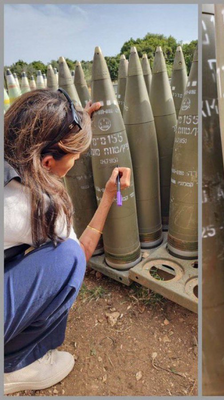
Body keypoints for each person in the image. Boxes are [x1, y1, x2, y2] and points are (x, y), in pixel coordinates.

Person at [4, 88, 131, 394]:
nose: (75, 162)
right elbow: (80, 254)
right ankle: (14, 366)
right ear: (48, 162)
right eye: (75, 157)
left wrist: (79, 121)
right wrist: (110, 196)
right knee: (66, 258)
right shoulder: (35, 207)